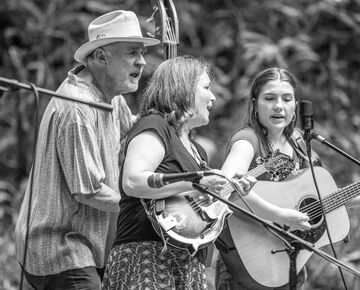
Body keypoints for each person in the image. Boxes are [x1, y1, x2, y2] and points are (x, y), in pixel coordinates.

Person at [14, 10, 159, 289]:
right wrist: (147, 205)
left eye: (141, 52)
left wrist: (171, 120)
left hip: (87, 244)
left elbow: (136, 133)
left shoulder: (110, 97)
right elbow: (89, 191)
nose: (142, 61)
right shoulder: (78, 108)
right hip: (57, 246)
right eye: (132, 52)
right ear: (101, 57)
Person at [102, 55, 256, 289]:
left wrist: (230, 192)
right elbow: (133, 181)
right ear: (182, 89)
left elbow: (197, 208)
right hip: (147, 256)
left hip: (188, 263)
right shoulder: (154, 126)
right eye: (206, 88)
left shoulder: (198, 152)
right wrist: (196, 183)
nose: (213, 97)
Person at [215, 67, 321, 290]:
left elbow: (326, 196)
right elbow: (225, 187)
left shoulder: (299, 143)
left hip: (289, 260)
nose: (278, 106)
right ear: (254, 103)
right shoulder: (247, 140)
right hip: (247, 266)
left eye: (287, 98)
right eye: (270, 98)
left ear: (296, 105)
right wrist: (279, 215)